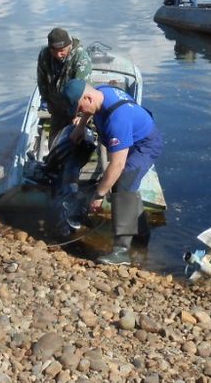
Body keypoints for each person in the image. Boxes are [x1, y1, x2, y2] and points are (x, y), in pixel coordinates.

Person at [63, 78, 163, 265]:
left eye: (80, 108)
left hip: (145, 145)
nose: (79, 112)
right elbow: (87, 111)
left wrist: (99, 195)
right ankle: (142, 234)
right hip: (131, 136)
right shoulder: (99, 92)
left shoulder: (117, 120)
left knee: (122, 186)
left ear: (89, 98)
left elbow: (116, 165)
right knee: (125, 187)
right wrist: (80, 126)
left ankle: (122, 252)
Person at [36, 27, 92, 143]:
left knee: (77, 141)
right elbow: (42, 80)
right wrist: (45, 100)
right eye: (54, 50)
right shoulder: (44, 55)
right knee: (55, 141)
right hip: (56, 105)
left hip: (76, 106)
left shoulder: (80, 58)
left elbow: (83, 89)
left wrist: (80, 116)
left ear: (69, 45)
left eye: (62, 50)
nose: (58, 54)